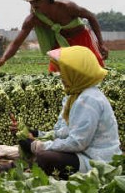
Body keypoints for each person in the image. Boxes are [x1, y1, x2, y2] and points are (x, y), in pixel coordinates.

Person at [18, 46, 121, 179]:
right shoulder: (78, 95)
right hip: (85, 153)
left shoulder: (88, 99)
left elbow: (77, 143)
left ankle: (24, 168)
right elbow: (66, 131)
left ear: (76, 74)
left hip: (98, 161)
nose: (62, 77)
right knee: (44, 154)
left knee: (46, 157)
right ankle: (23, 167)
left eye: (65, 72)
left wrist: (41, 146)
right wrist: (38, 134)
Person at [0, 0, 109, 72]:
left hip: (82, 39)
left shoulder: (67, 7)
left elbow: (91, 17)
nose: (33, 4)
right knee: (57, 75)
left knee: (93, 71)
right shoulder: (33, 19)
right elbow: (17, 42)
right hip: (60, 44)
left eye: (37, 0)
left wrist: (101, 43)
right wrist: (3, 59)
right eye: (31, 1)